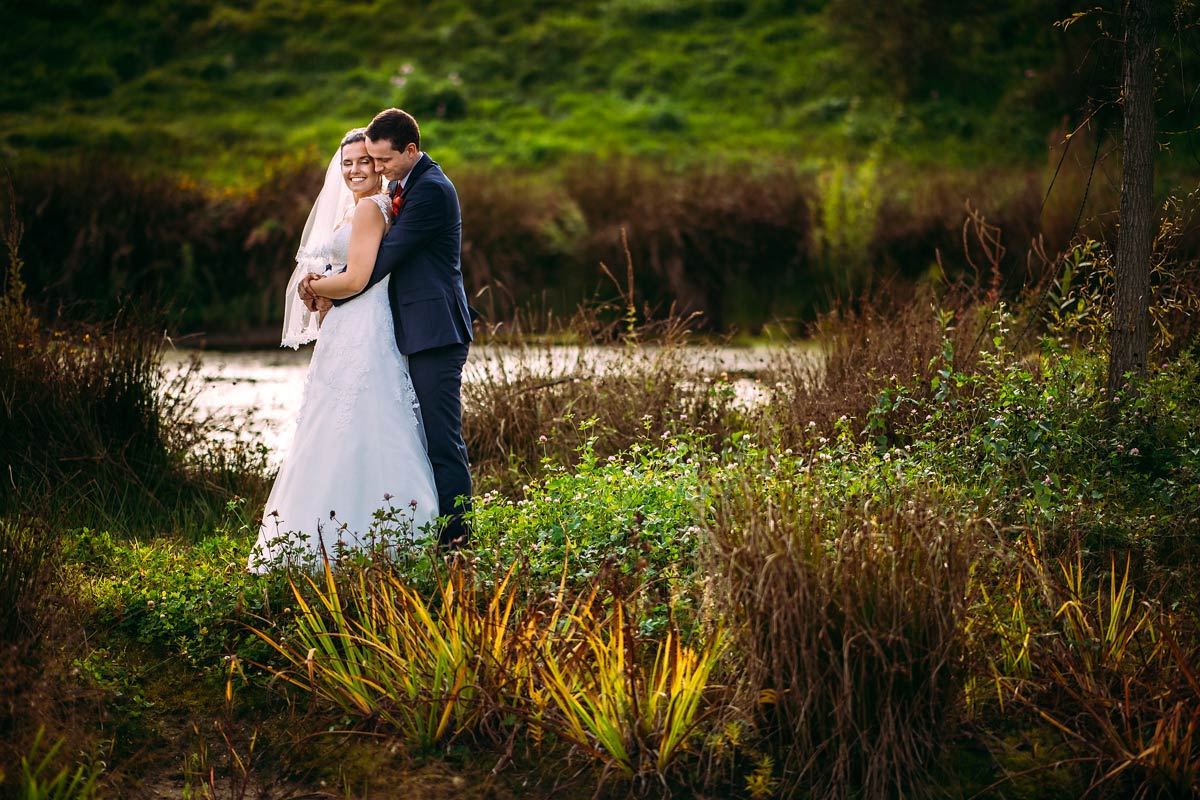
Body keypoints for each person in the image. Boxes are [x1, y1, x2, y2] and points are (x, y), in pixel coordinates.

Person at [248, 128, 439, 572]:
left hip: (366, 327)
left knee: (364, 421)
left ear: (378, 165)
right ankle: (341, 535)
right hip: (345, 327)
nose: (355, 170)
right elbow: (345, 279)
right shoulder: (356, 211)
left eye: (364, 161)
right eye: (347, 162)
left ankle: (361, 538)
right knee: (334, 425)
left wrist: (315, 286)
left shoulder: (371, 209)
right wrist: (321, 294)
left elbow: (356, 279)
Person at [301, 108, 473, 548]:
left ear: (410, 150)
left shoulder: (431, 190)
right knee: (412, 433)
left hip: (435, 331)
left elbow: (380, 262)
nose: (376, 168)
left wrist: (325, 288)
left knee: (441, 440)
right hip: (404, 329)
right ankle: (419, 531)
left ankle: (457, 543)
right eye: (367, 160)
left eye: (382, 160)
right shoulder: (401, 185)